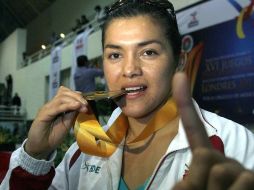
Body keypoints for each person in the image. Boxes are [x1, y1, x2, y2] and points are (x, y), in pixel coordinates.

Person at [1, 1, 254, 190]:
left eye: (149, 52)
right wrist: (35, 155)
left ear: (179, 62)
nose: (130, 70)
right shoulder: (86, 148)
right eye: (115, 55)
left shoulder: (232, 145)